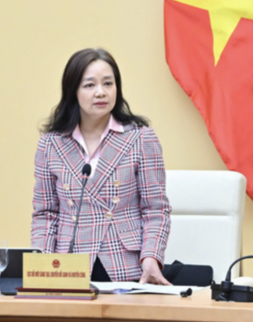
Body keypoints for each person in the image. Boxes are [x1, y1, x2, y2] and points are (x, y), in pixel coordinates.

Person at [31, 48, 172, 284]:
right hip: (67, 267)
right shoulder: (51, 143)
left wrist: (151, 257)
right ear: (72, 90)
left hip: (125, 264)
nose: (101, 92)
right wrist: (41, 268)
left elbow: (155, 209)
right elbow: (45, 214)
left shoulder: (140, 138)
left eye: (108, 83)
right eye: (89, 85)